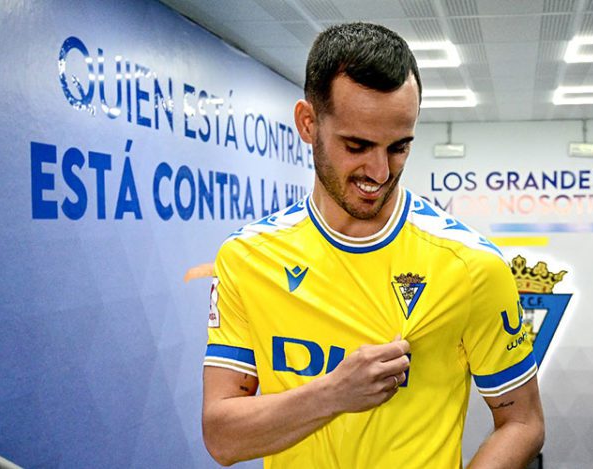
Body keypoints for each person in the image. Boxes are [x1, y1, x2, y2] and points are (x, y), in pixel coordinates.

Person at [202, 22, 544, 468]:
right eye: (357, 145)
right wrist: (334, 394)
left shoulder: (471, 265)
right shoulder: (247, 258)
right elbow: (222, 439)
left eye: (399, 147)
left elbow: (523, 423)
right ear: (308, 123)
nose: (380, 171)